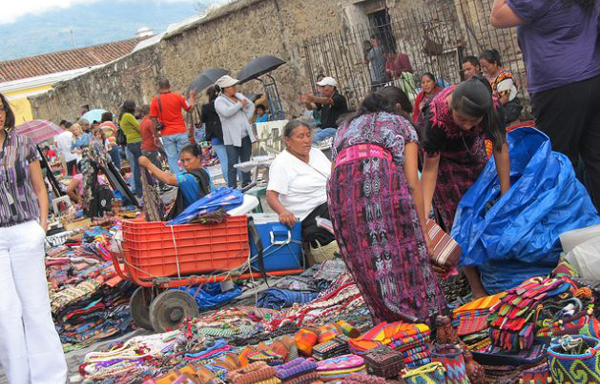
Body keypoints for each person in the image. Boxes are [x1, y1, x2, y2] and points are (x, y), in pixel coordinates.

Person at [327, 88, 447, 324]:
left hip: (340, 191)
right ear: (399, 108)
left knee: (364, 258)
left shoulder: (343, 129)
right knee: (405, 249)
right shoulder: (401, 124)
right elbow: (413, 183)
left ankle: (387, 319)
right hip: (380, 181)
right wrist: (422, 228)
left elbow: (334, 174)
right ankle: (424, 317)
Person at [490, 0, 600, 209]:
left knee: (558, 163)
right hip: (593, 77)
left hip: (558, 87)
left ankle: (570, 225)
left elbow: (497, 17)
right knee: (596, 159)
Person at [421, 76, 510, 299]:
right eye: (462, 119)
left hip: (473, 153)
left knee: (484, 209)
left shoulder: (491, 108)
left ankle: (493, 268)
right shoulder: (435, 119)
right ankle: (475, 285)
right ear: (452, 106)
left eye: (474, 121)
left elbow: (500, 148)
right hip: (444, 165)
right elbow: (429, 170)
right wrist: (421, 216)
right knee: (458, 220)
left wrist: (507, 194)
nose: (468, 125)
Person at [0, 92, 68, 383]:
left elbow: (41, 188)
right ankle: (19, 378)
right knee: (5, 312)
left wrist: (41, 226)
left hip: (26, 229)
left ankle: (50, 376)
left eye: (1, 108)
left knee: (35, 306)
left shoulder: (22, 143)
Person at [266, 120, 336, 247]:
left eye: (308, 135)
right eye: (300, 136)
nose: (306, 140)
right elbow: (271, 194)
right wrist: (283, 212)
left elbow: (332, 174)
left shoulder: (316, 153)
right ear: (288, 141)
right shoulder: (282, 163)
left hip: (330, 204)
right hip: (311, 216)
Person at [139, 144, 211, 217]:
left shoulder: (191, 178)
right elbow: (170, 177)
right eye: (182, 161)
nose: (185, 164)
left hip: (196, 214)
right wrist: (155, 174)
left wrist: (148, 164)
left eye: (188, 160)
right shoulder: (204, 171)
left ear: (198, 158)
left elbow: (168, 179)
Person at [214, 75, 256, 189]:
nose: (234, 88)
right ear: (226, 88)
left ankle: (246, 182)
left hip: (244, 134)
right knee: (232, 163)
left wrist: (246, 117)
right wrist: (240, 105)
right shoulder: (219, 101)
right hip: (231, 137)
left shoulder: (238, 96)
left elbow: (251, 105)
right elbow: (227, 112)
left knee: (246, 161)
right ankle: (232, 187)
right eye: (232, 86)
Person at [150, 78, 196, 173]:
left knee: (172, 158)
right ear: (169, 86)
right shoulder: (178, 97)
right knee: (185, 156)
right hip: (180, 130)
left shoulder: (155, 101)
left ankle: (177, 179)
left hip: (166, 132)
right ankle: (187, 176)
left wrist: (155, 135)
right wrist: (192, 97)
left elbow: (153, 119)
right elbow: (190, 109)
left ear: (158, 87)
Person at [479, 49, 522, 124]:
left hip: (508, 108)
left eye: (487, 67)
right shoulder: (486, 77)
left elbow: (505, 98)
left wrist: (491, 110)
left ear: (495, 63)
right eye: (482, 67)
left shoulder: (504, 76)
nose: (484, 70)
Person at [301, 77, 348, 143]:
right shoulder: (324, 100)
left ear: (332, 87)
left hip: (336, 130)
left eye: (323, 87)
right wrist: (306, 101)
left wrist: (313, 98)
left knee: (309, 139)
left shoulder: (339, 98)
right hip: (324, 130)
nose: (321, 89)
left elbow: (328, 101)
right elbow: (311, 107)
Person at [201, 86, 229, 185]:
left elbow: (203, 119)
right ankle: (241, 180)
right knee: (233, 159)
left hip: (215, 137)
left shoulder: (206, 107)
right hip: (226, 134)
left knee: (223, 160)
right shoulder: (222, 104)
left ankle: (228, 182)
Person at [120, 99, 143, 197]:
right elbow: (139, 127)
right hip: (136, 141)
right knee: (139, 166)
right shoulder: (128, 116)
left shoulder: (122, 116)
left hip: (131, 142)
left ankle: (139, 189)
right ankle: (140, 190)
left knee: (136, 166)